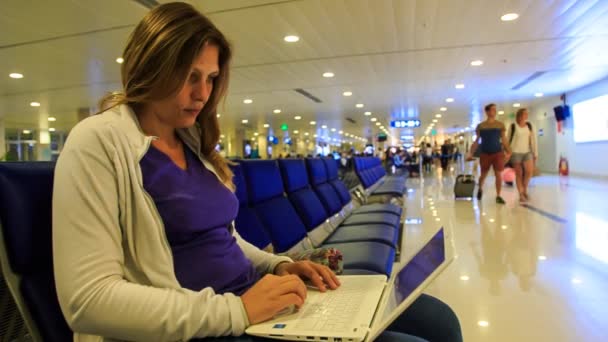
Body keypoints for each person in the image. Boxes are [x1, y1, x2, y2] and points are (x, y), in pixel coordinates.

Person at [52, 3, 461, 342]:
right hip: (209, 325)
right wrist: (238, 309)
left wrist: (278, 266)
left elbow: (224, 238)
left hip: (250, 305)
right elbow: (87, 301)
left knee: (438, 321)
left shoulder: (191, 143)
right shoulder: (99, 142)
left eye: (211, 79)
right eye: (190, 76)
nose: (202, 94)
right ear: (151, 65)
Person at [467, 103, 512, 204]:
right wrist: (471, 153)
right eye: (492, 110)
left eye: (495, 110)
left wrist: (509, 151)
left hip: (498, 153)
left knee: (498, 174)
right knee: (483, 174)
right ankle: (480, 188)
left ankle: (498, 195)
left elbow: (504, 140)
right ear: (487, 112)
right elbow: (476, 141)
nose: (494, 112)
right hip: (485, 153)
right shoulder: (481, 126)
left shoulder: (500, 125)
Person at [507, 108, 538, 202]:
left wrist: (535, 153)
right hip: (515, 153)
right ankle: (521, 194)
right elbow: (508, 140)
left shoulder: (529, 125)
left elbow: (533, 140)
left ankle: (524, 189)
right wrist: (507, 153)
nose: (526, 115)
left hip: (527, 152)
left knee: (529, 172)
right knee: (519, 174)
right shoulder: (513, 126)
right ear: (520, 115)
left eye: (527, 114)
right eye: (525, 114)